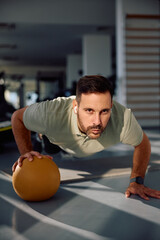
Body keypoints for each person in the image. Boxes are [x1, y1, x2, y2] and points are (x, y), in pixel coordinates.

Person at [11, 75, 160, 200]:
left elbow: (142, 143)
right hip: (57, 139)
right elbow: (17, 118)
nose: (97, 122)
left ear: (111, 106)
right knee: (50, 148)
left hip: (79, 146)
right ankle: (41, 137)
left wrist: (137, 181)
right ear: (75, 106)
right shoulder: (50, 113)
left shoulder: (123, 119)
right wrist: (25, 151)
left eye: (104, 111)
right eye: (89, 110)